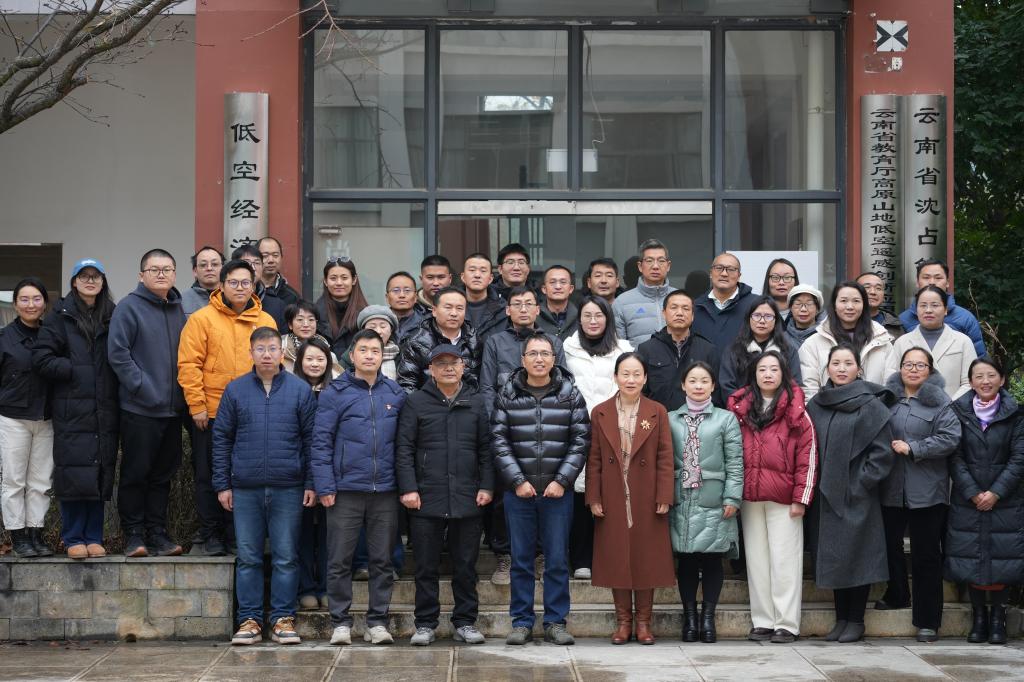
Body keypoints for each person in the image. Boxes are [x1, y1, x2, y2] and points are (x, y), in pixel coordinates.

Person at [213, 327, 317, 646]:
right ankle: (250, 620)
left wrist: (311, 482)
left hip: (289, 486)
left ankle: (283, 619)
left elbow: (312, 441)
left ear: (282, 353)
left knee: (286, 556)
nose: (267, 354)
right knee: (248, 557)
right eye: (260, 349)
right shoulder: (235, 390)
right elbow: (221, 439)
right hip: (245, 488)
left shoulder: (300, 390)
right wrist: (222, 484)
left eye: (272, 348)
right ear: (251, 353)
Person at [311, 329, 407, 646]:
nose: (369, 356)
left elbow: (404, 444)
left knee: (382, 560)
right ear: (352, 355)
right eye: (363, 350)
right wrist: (325, 485)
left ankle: (377, 622)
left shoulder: (395, 393)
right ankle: (340, 622)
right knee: (340, 559)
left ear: (382, 356)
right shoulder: (334, 393)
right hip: (344, 490)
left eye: (375, 351)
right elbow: (321, 443)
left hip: (385, 491)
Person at [493, 332, 590, 646]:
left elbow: (580, 441)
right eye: (533, 354)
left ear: (554, 359)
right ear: (522, 360)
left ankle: (555, 622)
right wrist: (517, 481)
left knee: (557, 560)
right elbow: (499, 441)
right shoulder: (507, 394)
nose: (539, 359)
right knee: (521, 560)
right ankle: (521, 622)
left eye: (545, 353)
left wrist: (561, 481)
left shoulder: (570, 394)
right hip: (518, 493)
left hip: (557, 494)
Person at [396, 345, 494, 646]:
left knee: (465, 566)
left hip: (468, 495)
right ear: (431, 370)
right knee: (425, 566)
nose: (448, 368)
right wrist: (409, 488)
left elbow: (486, 450)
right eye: (441, 364)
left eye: (454, 363)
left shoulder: (475, 401)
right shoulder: (415, 402)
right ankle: (425, 624)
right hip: (427, 495)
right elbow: (404, 449)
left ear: (463, 367)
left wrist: (486, 486)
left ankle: (465, 622)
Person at [178, 259, 277, 556]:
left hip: (252, 414)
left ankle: (237, 534)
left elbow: (273, 368)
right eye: (233, 282)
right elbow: (189, 364)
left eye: (246, 282)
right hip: (210, 412)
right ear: (221, 285)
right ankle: (211, 534)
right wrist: (196, 405)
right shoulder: (202, 319)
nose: (240, 288)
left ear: (254, 285)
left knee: (243, 476)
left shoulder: (265, 321)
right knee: (208, 475)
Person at [806, 345, 895, 643]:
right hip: (825, 495)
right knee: (834, 559)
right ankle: (841, 619)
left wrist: (860, 484)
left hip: (858, 495)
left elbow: (882, 455)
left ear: (859, 368)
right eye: (836, 363)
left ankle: (856, 620)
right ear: (827, 368)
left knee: (858, 557)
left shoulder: (871, 405)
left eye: (848, 363)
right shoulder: (817, 404)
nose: (841, 368)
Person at [727, 351, 817, 643]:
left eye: (774, 369)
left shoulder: (796, 409)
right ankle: (763, 620)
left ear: (783, 374)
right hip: (750, 496)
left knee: (785, 560)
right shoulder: (740, 409)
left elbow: (808, 456)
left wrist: (801, 498)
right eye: (762, 369)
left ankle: (786, 623)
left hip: (784, 498)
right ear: (753, 374)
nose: (767, 374)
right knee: (757, 561)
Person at [32, 259, 118, 560]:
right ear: (74, 282)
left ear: (103, 282)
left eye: (95, 276)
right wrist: (74, 369)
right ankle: (73, 537)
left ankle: (94, 536)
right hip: (71, 406)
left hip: (104, 407)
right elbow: (41, 359)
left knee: (100, 471)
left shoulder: (112, 314)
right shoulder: (60, 315)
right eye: (84, 276)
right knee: (73, 473)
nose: (90, 281)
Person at [587, 352, 675, 645]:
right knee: (617, 558)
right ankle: (623, 622)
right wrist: (594, 496)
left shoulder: (657, 411)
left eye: (637, 374)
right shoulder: (600, 412)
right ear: (615, 377)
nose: (631, 379)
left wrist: (664, 494)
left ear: (645, 378)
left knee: (646, 558)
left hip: (646, 493)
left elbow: (665, 456)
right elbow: (594, 458)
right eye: (625, 373)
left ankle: (644, 623)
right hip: (613, 492)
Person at [877, 347, 960, 642]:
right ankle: (898, 593)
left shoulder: (941, 402)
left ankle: (928, 620)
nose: (913, 370)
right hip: (890, 487)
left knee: (926, 555)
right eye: (908, 364)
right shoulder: (887, 399)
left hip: (927, 490)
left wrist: (914, 448)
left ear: (930, 370)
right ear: (900, 368)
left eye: (920, 365)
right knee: (890, 546)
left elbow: (950, 438)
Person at [108, 249, 187, 557]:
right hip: (140, 408)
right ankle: (133, 535)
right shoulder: (128, 307)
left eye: (167, 269)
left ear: (175, 274)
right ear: (141, 276)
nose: (161, 274)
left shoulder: (179, 310)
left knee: (162, 476)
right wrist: (142, 387)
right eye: (154, 269)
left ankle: (157, 533)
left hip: (172, 410)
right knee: (135, 474)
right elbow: (118, 354)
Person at [946, 358, 1024, 645]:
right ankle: (978, 616)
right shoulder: (958, 412)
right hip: (968, 498)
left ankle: (998, 617)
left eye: (991, 375)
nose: (985, 381)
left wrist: (996, 492)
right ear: (971, 381)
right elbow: (954, 455)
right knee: (972, 554)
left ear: (1002, 379)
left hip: (1006, 499)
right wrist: (972, 491)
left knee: (1002, 555)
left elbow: (1019, 458)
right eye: (979, 376)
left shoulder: (1016, 414)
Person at [667, 361, 743, 644]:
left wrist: (732, 497)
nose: (698, 386)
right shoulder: (669, 419)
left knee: (712, 559)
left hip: (714, 498)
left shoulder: (726, 419)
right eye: (692, 380)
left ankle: (708, 619)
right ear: (683, 385)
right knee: (686, 559)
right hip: (681, 499)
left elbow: (735, 462)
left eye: (704, 381)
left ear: (713, 386)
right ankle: (690, 619)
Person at [562, 296, 633, 580]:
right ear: (579, 319)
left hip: (615, 429)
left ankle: (609, 555)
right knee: (580, 492)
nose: (593, 321)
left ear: (608, 318)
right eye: (587, 315)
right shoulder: (567, 349)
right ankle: (581, 559)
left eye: (599, 315)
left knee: (612, 492)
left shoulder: (624, 349)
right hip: (575, 429)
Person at [0, 277, 53, 558]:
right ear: (15, 303)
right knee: (14, 481)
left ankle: (36, 533)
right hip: (13, 417)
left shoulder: (52, 335)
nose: (31, 304)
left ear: (45, 303)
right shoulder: (4, 338)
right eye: (24, 299)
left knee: (41, 482)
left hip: (46, 417)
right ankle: (18, 536)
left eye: (36, 299)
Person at [291, 336, 337, 611]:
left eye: (321, 359)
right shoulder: (290, 390)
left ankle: (327, 588)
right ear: (300, 361)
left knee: (330, 535)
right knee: (303, 533)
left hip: (332, 473)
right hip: (298, 473)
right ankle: (306, 588)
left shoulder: (337, 390)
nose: (315, 364)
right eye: (309, 358)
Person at [798, 281, 897, 401]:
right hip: (826, 410)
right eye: (843, 301)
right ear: (834, 305)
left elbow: (890, 386)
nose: (850, 306)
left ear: (864, 305)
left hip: (874, 410)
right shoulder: (812, 344)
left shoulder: (882, 341)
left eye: (856, 301)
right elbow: (809, 390)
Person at [479, 286, 566, 411]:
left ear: (537, 310)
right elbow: (487, 387)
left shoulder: (554, 342)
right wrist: (494, 418)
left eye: (529, 304)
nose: (523, 309)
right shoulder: (495, 343)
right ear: (508, 310)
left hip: (546, 413)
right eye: (517, 304)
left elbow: (562, 384)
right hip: (505, 414)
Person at [637, 290, 720, 411]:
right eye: (674, 308)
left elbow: (716, 394)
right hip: (657, 418)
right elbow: (641, 392)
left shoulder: (708, 350)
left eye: (685, 308)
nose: (680, 313)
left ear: (692, 316)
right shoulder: (647, 349)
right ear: (664, 313)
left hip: (698, 419)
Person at [893, 285, 977, 399]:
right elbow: (895, 381)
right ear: (916, 310)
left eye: (935, 305)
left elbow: (969, 382)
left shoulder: (963, 341)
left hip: (953, 407)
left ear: (945, 310)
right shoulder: (901, 343)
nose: (928, 310)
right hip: (911, 407)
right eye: (923, 305)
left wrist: (949, 406)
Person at [397, 287, 481, 393]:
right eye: (448, 307)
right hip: (427, 401)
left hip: (468, 401)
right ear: (434, 311)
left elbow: (482, 382)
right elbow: (406, 384)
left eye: (459, 308)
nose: (454, 313)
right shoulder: (416, 342)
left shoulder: (474, 340)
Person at [718, 297, 802, 400]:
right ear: (749, 318)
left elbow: (795, 386)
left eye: (768, 316)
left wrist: (774, 406)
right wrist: (747, 406)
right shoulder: (734, 350)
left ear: (776, 320)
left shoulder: (788, 351)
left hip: (781, 408)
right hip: (741, 408)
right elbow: (727, 387)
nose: (762, 321)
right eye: (757, 315)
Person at [898, 258, 985, 357]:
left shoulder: (965, 318)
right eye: (926, 277)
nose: (932, 282)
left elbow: (978, 358)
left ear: (947, 282)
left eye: (938, 278)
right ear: (917, 282)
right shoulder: (903, 320)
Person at [613, 239, 677, 346]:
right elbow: (619, 348)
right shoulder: (622, 302)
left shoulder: (680, 298)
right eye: (649, 261)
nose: (655, 266)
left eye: (661, 261)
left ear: (668, 266)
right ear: (640, 266)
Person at [691, 252, 759, 350]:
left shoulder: (756, 305)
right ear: (711, 273)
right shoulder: (695, 307)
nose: (724, 274)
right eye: (719, 268)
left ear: (739, 276)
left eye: (731, 269)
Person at [316, 258, 369, 359]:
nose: (339, 283)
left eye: (344, 278)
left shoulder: (365, 315)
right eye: (333, 278)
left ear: (354, 280)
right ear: (325, 281)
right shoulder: (314, 314)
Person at [231, 244, 288, 331]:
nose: (253, 268)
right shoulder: (220, 301)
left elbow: (283, 338)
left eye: (257, 263)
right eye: (247, 263)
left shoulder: (277, 305)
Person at [281, 301, 340, 376]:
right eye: (300, 319)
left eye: (311, 320)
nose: (306, 324)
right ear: (290, 325)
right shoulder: (280, 348)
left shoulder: (328, 352)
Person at [460, 253, 505, 339]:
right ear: (463, 277)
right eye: (472, 270)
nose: (477, 275)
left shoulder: (503, 309)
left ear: (490, 278)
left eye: (483, 271)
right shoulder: (450, 307)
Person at [857, 272, 904, 339]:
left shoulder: (895, 325)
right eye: (867, 287)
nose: (873, 292)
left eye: (878, 288)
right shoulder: (846, 323)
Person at [537, 265, 578, 340]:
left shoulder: (581, 317)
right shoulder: (533, 316)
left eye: (563, 282)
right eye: (552, 282)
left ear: (571, 289)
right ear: (544, 289)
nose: (558, 287)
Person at [258, 236, 301, 307]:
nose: (271, 260)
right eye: (265, 256)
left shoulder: (292, 296)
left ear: (281, 258)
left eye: (275, 255)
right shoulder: (247, 291)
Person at [181, 246, 224, 316]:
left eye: (215, 264)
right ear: (195, 271)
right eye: (203, 265)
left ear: (223, 269)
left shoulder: (232, 297)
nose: (209, 268)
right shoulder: (182, 301)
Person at [385, 271, 426, 344]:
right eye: (396, 290)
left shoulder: (426, 323)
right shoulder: (378, 322)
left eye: (407, 290)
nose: (402, 295)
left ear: (416, 297)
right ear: (387, 297)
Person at [784, 284, 826, 349]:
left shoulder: (826, 335)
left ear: (817, 309)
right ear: (791, 308)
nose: (803, 309)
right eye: (798, 304)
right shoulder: (782, 338)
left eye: (809, 304)